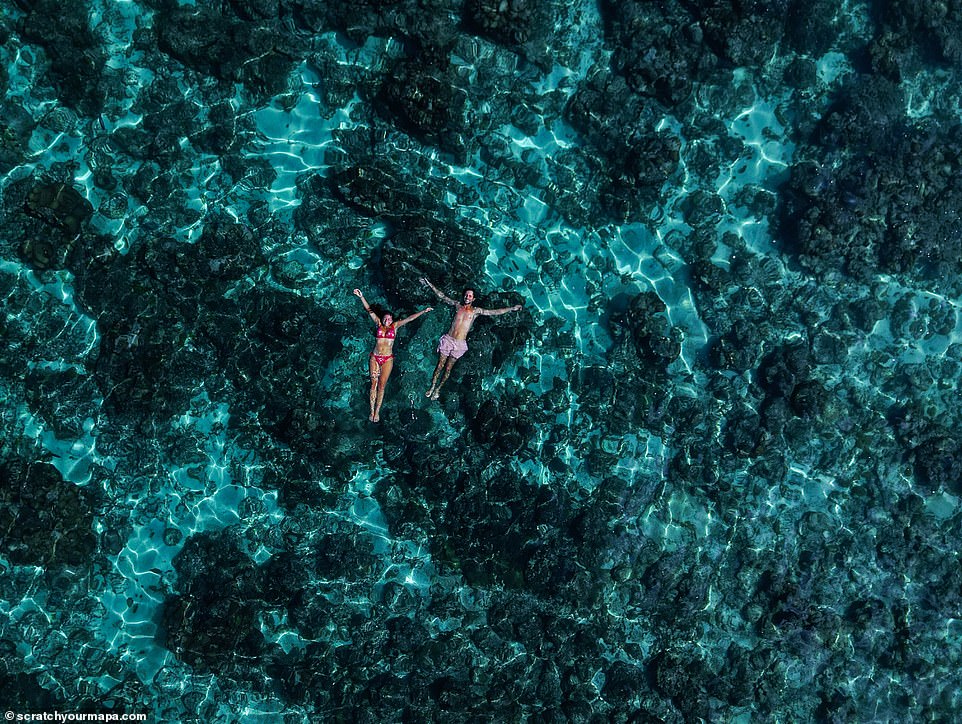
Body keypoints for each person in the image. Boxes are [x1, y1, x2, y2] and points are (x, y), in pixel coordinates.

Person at [420, 278, 522, 399]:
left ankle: (438, 389)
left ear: (473, 299)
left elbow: (494, 312)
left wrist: (512, 308)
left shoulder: (475, 311)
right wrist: (428, 283)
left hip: (459, 344)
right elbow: (442, 296)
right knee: (439, 366)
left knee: (448, 369)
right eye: (466, 295)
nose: (467, 297)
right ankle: (432, 386)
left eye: (470, 296)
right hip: (448, 340)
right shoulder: (458, 305)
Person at [354, 288, 432, 422]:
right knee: (373, 384)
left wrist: (423, 311)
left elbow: (409, 319)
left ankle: (377, 412)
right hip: (375, 357)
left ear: (392, 320)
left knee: (381, 386)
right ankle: (371, 410)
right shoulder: (378, 324)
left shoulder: (395, 326)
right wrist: (361, 296)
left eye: (389, 318)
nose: (387, 320)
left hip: (387, 359)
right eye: (385, 318)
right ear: (382, 319)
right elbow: (369, 311)